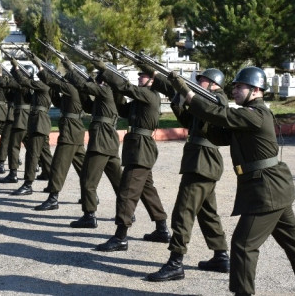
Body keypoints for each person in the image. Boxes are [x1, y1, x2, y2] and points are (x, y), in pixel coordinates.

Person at [168, 66, 295, 296]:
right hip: (273, 188)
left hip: (266, 190)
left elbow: (223, 116)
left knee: (242, 245)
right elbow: (221, 135)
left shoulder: (256, 114)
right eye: (235, 86)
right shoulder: (247, 114)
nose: (235, 90)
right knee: (292, 240)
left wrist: (189, 94)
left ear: (256, 90)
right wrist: (200, 115)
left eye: (241, 86)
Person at [147, 68, 230, 282]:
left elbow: (206, 110)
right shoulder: (205, 100)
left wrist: (181, 86)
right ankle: (221, 255)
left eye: (202, 81)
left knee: (183, 212)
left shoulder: (218, 99)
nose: (198, 83)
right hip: (200, 163)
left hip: (202, 163)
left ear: (213, 83)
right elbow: (188, 121)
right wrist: (177, 99)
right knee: (207, 212)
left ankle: (175, 263)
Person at [93, 61, 169, 252]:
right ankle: (162, 228)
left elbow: (126, 87)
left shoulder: (149, 94)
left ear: (152, 80)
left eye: (143, 75)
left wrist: (106, 71)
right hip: (138, 148)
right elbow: (123, 109)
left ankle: (121, 237)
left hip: (141, 149)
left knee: (127, 193)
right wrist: (113, 87)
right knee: (146, 190)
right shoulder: (141, 98)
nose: (139, 77)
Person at [64, 63, 122, 228]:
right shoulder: (107, 94)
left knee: (88, 180)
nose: (98, 80)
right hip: (108, 141)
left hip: (101, 142)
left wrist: (72, 71)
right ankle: (126, 212)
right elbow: (88, 105)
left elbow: (84, 84)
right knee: (119, 181)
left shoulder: (106, 91)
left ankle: (89, 215)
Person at [33, 57, 86, 211]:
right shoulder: (76, 90)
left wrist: (41, 68)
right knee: (82, 167)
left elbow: (52, 82)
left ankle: (53, 198)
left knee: (58, 166)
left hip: (70, 131)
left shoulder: (72, 89)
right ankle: (90, 195)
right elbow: (57, 102)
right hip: (74, 130)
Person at [10, 57, 53, 196]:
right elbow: (27, 95)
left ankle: (28, 184)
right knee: (45, 154)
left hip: (39, 123)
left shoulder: (44, 86)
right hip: (39, 123)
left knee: (32, 154)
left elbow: (23, 81)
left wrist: (16, 69)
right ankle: (50, 177)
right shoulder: (42, 87)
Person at [0, 65, 30, 184]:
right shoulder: (28, 84)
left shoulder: (23, 83)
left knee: (13, 146)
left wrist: (0, 74)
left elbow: (3, 83)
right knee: (31, 147)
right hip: (25, 118)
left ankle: (13, 173)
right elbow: (9, 96)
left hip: (21, 118)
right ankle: (42, 168)